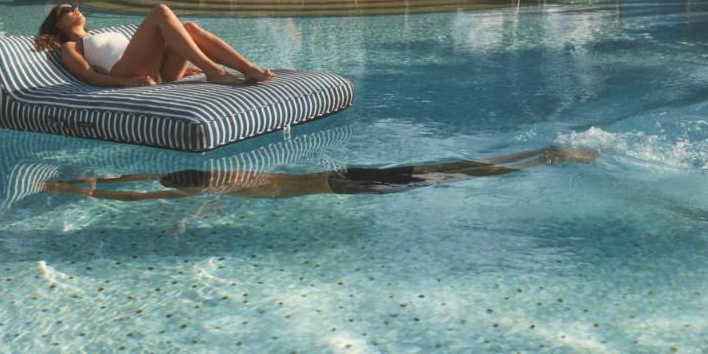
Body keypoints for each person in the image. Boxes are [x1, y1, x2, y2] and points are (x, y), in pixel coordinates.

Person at [41, 146, 599, 201]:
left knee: (447, 176)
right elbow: (141, 184)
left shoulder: (207, 191)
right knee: (443, 167)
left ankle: (541, 160)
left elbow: (141, 195)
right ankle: (538, 154)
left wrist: (82, 192)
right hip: (345, 170)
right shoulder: (220, 172)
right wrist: (89, 184)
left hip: (343, 185)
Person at [34, 2, 275, 88]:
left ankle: (247, 68)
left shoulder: (96, 34)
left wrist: (180, 67)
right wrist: (125, 83)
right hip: (125, 72)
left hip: (155, 72)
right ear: (59, 25)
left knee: (189, 27)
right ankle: (213, 71)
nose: (75, 8)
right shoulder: (71, 47)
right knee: (160, 11)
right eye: (68, 9)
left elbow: (149, 52)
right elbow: (90, 77)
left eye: (75, 6)